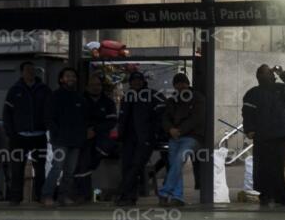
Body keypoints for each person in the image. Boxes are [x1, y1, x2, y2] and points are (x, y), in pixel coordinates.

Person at [241, 63, 285, 207]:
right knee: (261, 168)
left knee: (277, 168)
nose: (265, 75)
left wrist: (282, 72)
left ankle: (280, 196)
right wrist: (249, 130)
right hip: (261, 136)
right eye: (262, 73)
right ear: (258, 77)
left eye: (267, 73)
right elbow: (247, 114)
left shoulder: (281, 89)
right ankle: (265, 195)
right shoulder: (252, 93)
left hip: (279, 136)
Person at [2, 61, 51, 205]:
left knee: (40, 169)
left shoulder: (44, 90)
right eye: (27, 70)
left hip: (39, 136)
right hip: (19, 137)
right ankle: (15, 198)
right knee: (17, 169)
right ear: (22, 72)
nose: (30, 72)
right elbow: (7, 114)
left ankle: (40, 197)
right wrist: (11, 133)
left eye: (32, 70)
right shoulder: (14, 90)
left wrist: (48, 129)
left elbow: (50, 110)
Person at [114, 71, 163, 206]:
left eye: (139, 80)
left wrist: (155, 133)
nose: (136, 83)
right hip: (128, 139)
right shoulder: (127, 97)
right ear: (130, 83)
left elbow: (161, 115)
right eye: (134, 80)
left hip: (145, 138)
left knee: (136, 166)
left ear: (143, 81)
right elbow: (122, 118)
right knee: (127, 166)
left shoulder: (152, 95)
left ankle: (124, 194)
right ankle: (129, 197)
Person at [159, 73, 206, 207]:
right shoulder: (172, 100)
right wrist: (170, 129)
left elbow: (197, 118)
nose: (180, 86)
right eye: (177, 84)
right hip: (176, 136)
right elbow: (165, 118)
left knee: (178, 160)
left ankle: (165, 191)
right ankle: (177, 197)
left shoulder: (197, 98)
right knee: (176, 163)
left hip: (192, 137)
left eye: (182, 84)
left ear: (187, 84)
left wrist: (177, 130)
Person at [42, 67, 87, 207]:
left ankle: (63, 196)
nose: (71, 78)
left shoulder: (80, 97)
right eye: (67, 76)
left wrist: (82, 135)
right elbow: (49, 118)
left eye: (73, 76)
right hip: (60, 140)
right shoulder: (54, 96)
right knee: (57, 168)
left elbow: (84, 119)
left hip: (75, 141)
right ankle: (46, 196)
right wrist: (56, 133)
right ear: (61, 79)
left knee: (70, 170)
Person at [73, 74, 118, 202]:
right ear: (87, 87)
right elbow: (75, 120)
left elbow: (112, 121)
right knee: (84, 168)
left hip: (102, 143)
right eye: (92, 85)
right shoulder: (80, 100)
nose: (96, 88)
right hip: (83, 141)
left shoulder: (108, 102)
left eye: (98, 85)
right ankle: (84, 196)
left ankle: (96, 198)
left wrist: (95, 130)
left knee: (95, 173)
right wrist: (86, 131)